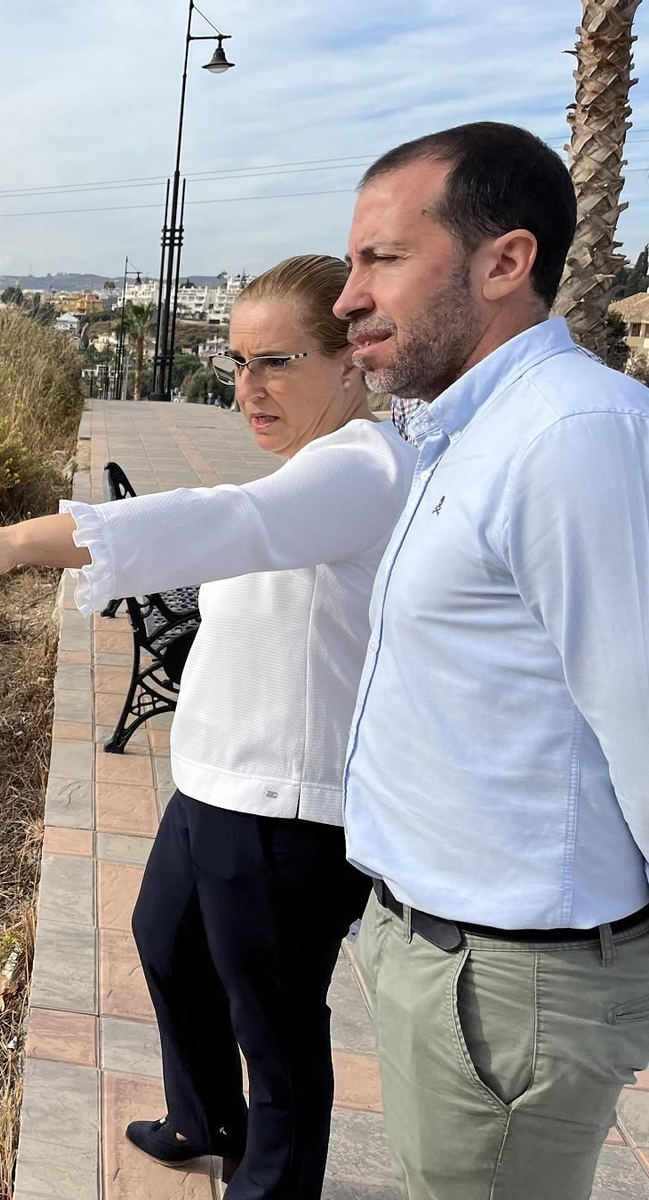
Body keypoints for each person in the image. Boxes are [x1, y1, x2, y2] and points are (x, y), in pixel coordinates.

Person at [0, 254, 415, 1199]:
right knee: (166, 940)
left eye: (277, 362)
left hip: (287, 805)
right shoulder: (313, 466)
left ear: (349, 365)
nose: (248, 387)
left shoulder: (360, 469)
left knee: (278, 1029)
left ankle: (269, 1186)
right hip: (217, 776)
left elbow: (223, 518)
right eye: (238, 360)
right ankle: (203, 1114)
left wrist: (15, 544)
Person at [336, 121, 649, 1199]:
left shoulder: (572, 436)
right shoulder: (467, 429)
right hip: (442, 951)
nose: (347, 295)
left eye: (382, 258)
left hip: (510, 981)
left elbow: (644, 717)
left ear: (504, 262)